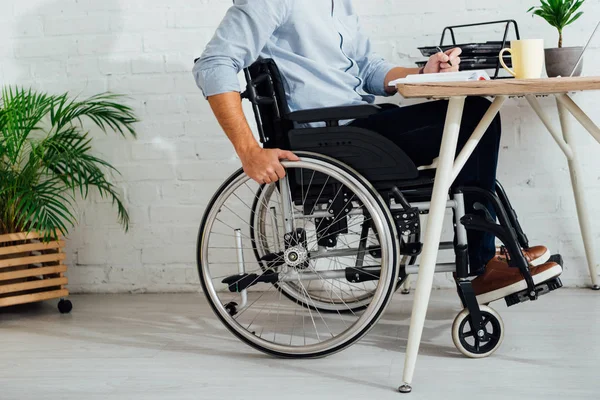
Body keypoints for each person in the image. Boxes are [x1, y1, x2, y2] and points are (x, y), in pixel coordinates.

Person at [192, 0, 561, 303]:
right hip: (330, 136)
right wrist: (249, 150)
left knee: (475, 117)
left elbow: (367, 68)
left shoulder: (340, 5)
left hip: (360, 122)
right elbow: (214, 64)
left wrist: (422, 71)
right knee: (476, 115)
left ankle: (487, 259)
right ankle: (482, 267)